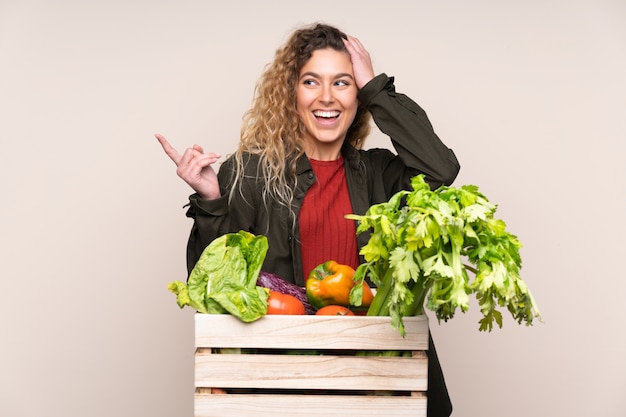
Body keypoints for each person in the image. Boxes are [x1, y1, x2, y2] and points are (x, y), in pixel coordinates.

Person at [156, 23, 459, 416]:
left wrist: (377, 88)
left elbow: (440, 170)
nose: (327, 97)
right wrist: (211, 200)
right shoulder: (250, 173)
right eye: (311, 82)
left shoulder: (381, 173)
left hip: (376, 382)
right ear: (291, 94)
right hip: (280, 382)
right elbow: (212, 287)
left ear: (358, 96)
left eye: (343, 83)